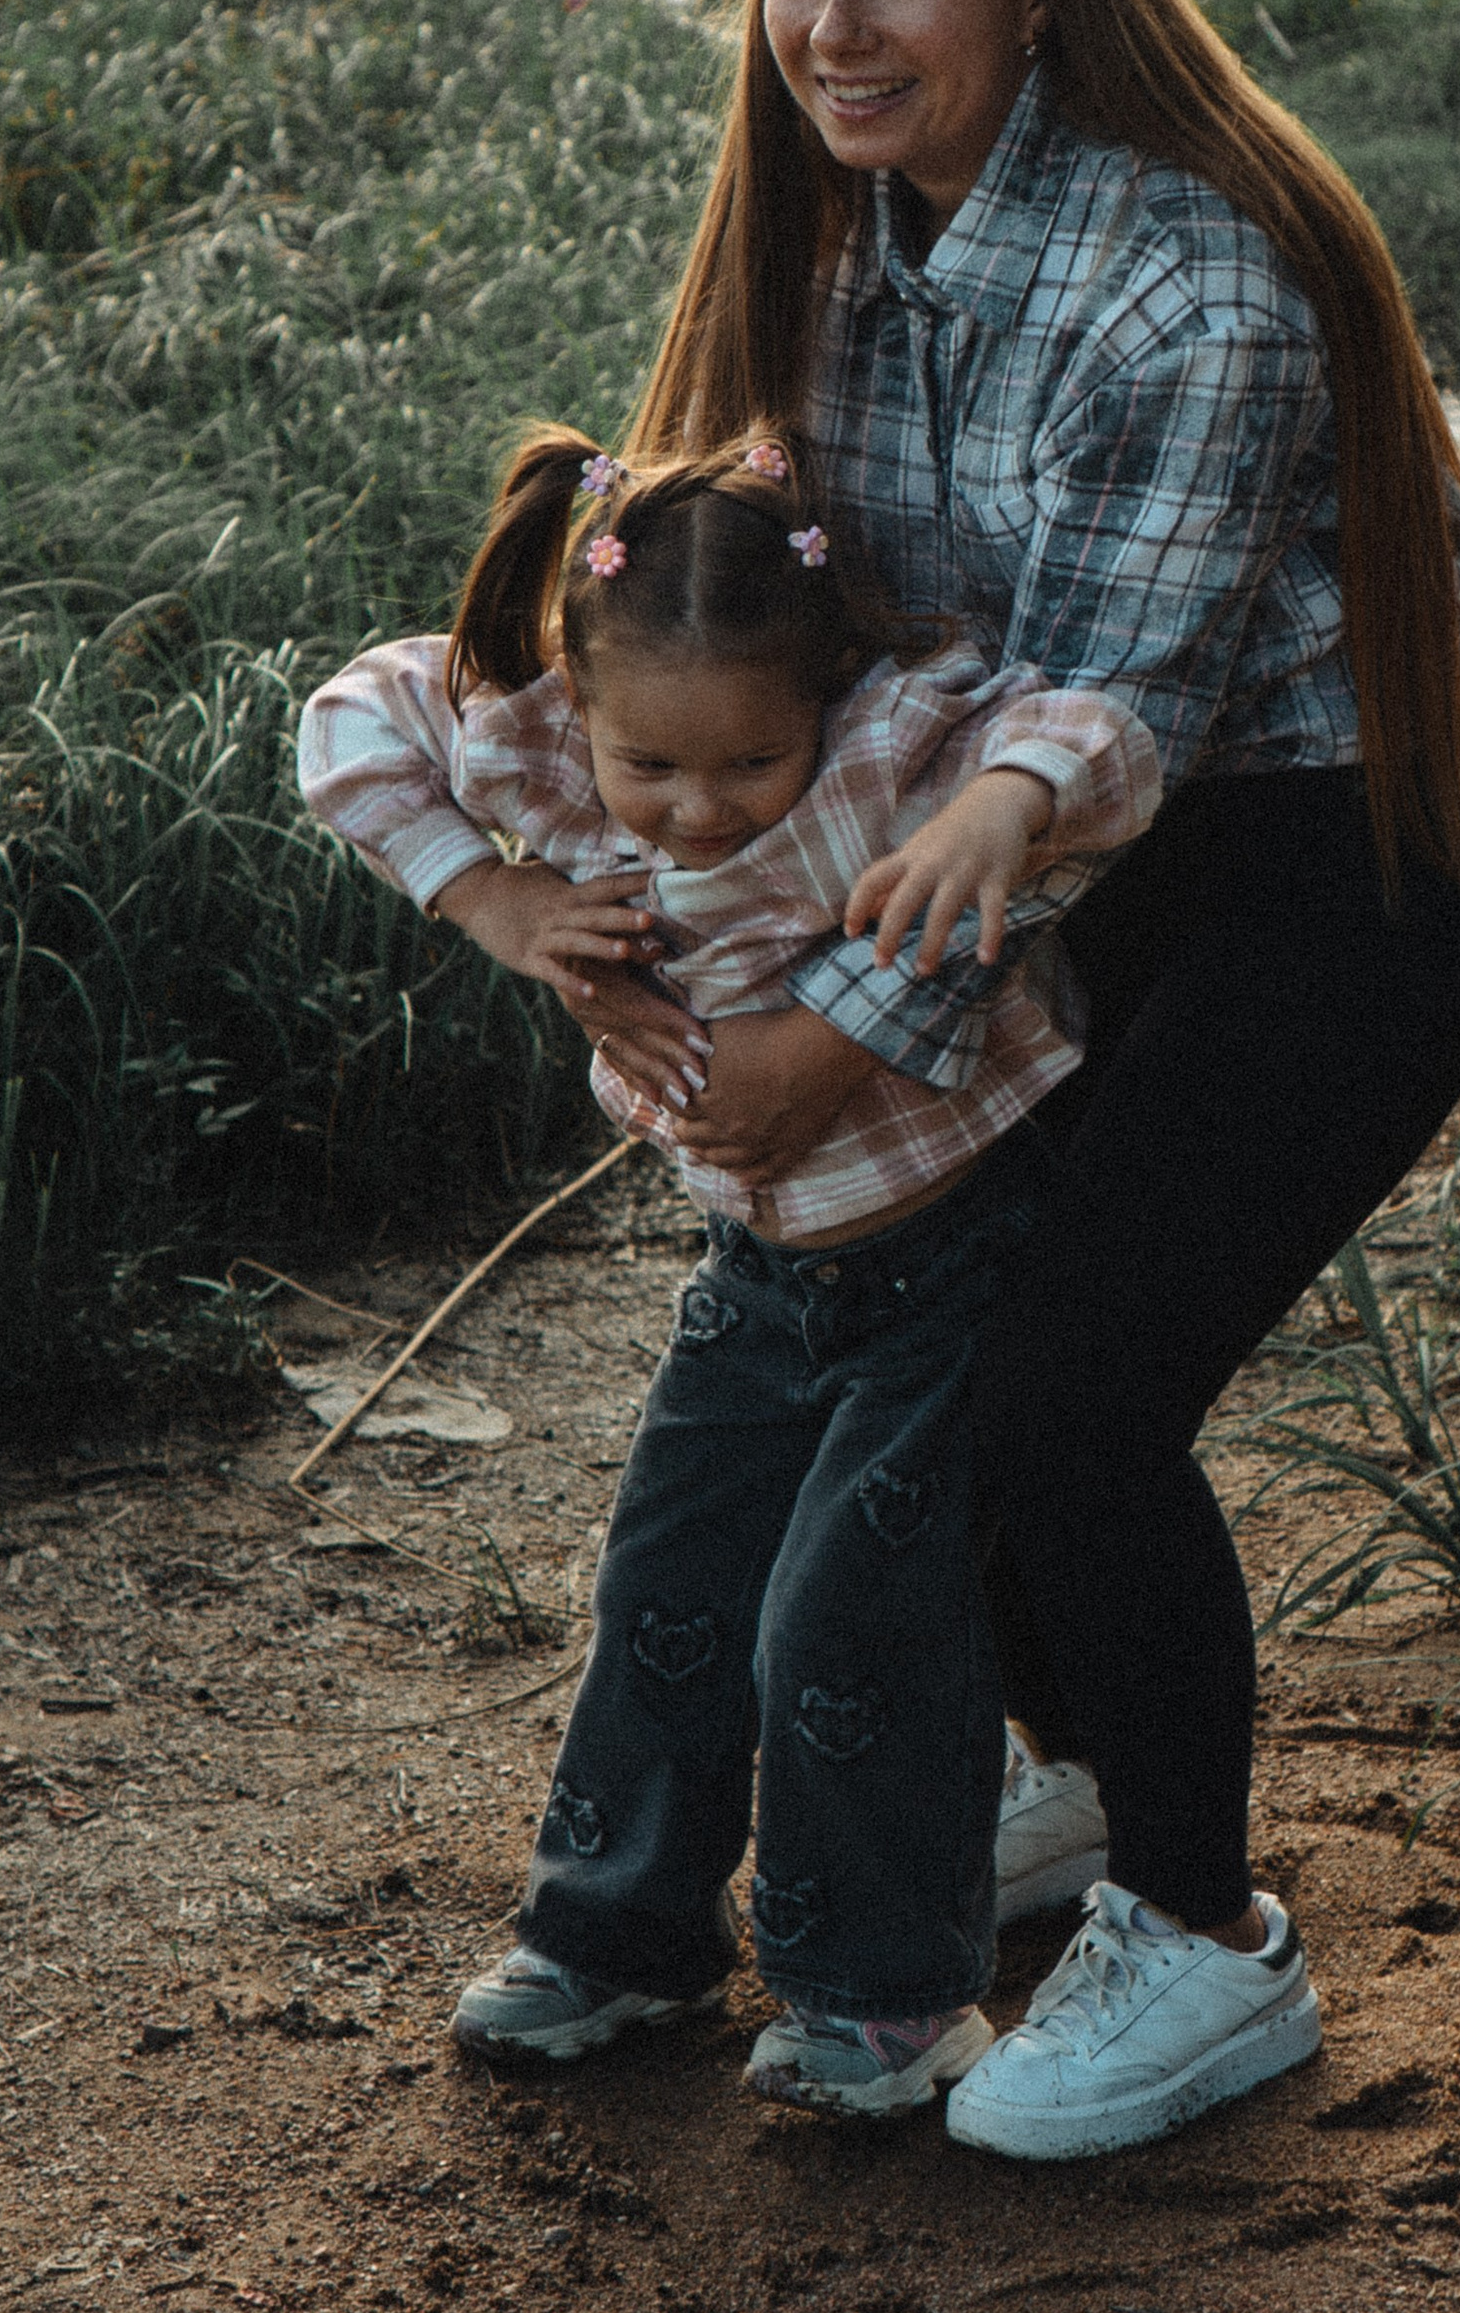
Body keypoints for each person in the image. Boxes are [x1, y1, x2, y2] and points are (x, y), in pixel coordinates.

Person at [565, 0, 1460, 2167]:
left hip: (1345, 857)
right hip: (1062, 841)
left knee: (1065, 1391)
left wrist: (820, 1045)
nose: (834, 29)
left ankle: (1205, 1947)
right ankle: (1104, 1784)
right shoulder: (825, 236)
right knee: (956, 1338)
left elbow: (1093, 720)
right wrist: (580, 909)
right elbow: (750, 642)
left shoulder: (1189, 281)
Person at [298, 434, 1159, 2114]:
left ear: (825, 693)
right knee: (665, 1588)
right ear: (583, 700)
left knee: (845, 1622)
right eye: (653, 770)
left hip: (952, 1256)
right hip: (754, 1277)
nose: (696, 808)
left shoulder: (893, 741)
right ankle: (613, 1939)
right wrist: (493, 899)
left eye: (746, 763)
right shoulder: (543, 741)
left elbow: (1105, 731)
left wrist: (1002, 807)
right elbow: (343, 724)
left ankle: (888, 1999)